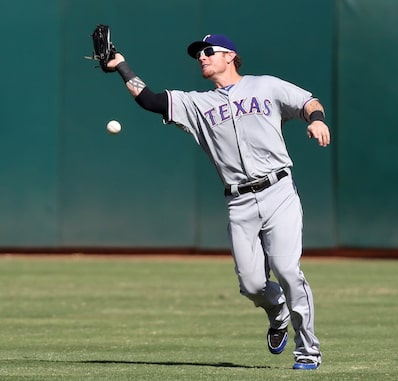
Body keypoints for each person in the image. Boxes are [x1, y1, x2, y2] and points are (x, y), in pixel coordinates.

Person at [103, 33, 330, 370]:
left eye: (209, 52)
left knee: (286, 269)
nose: (202, 57)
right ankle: (277, 310)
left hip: (278, 191)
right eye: (198, 54)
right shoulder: (197, 104)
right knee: (252, 285)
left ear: (230, 56)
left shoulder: (265, 86)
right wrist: (121, 65)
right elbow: (149, 100)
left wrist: (317, 120)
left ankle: (308, 352)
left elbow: (308, 102)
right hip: (239, 202)